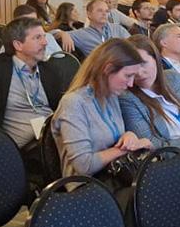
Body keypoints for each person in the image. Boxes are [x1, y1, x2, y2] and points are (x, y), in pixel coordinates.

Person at [0, 17, 64, 180]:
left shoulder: (49, 70)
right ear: (18, 45)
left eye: (44, 37)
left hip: (55, 136)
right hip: (25, 150)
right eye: (37, 38)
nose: (45, 42)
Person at [51, 39, 153, 180]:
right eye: (128, 75)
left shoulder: (111, 95)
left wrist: (129, 136)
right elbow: (84, 166)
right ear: (108, 69)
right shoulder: (73, 103)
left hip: (116, 177)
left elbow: (112, 138)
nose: (130, 84)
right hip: (88, 187)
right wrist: (125, 149)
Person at [119, 35, 180, 168]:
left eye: (143, 63)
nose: (139, 73)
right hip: (174, 161)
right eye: (132, 68)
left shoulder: (174, 78)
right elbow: (155, 146)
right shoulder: (128, 99)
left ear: (156, 59)